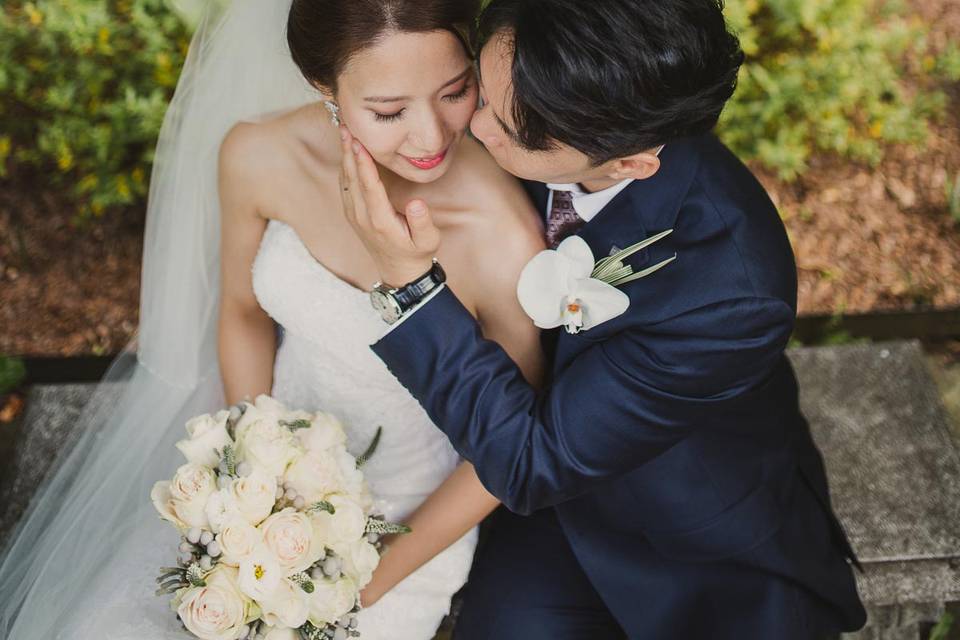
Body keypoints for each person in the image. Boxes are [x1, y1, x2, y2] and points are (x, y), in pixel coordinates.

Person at [0, 1, 544, 638]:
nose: (431, 137)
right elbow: (242, 313)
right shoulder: (256, 154)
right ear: (325, 87)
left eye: (455, 92)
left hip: (409, 520)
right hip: (264, 478)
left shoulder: (502, 237)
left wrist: (364, 579)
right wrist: (248, 480)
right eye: (390, 112)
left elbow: (505, 452)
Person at [337, 0, 869, 638]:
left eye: (512, 129)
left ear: (633, 164)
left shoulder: (733, 293)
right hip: (542, 517)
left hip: (692, 539)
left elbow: (533, 460)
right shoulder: (539, 82)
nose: (475, 131)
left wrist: (412, 285)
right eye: (481, 91)